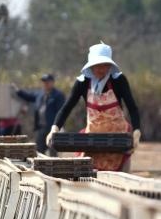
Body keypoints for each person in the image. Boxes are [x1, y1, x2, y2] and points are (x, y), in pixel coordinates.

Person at [48, 42, 142, 171]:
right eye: (97, 65)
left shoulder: (118, 81)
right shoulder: (82, 83)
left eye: (105, 65)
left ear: (110, 66)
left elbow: (132, 107)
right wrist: (55, 128)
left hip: (118, 139)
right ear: (91, 66)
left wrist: (136, 131)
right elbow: (67, 107)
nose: (101, 69)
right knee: (87, 175)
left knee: (119, 179)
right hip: (92, 139)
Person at [11, 73, 66, 154]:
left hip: (52, 128)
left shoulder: (58, 95)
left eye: (47, 81)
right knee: (39, 150)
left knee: (53, 150)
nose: (45, 83)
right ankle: (41, 166)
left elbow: (61, 111)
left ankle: (53, 165)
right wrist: (18, 91)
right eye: (44, 82)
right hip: (41, 127)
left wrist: (60, 126)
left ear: (52, 82)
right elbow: (28, 97)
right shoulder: (40, 94)